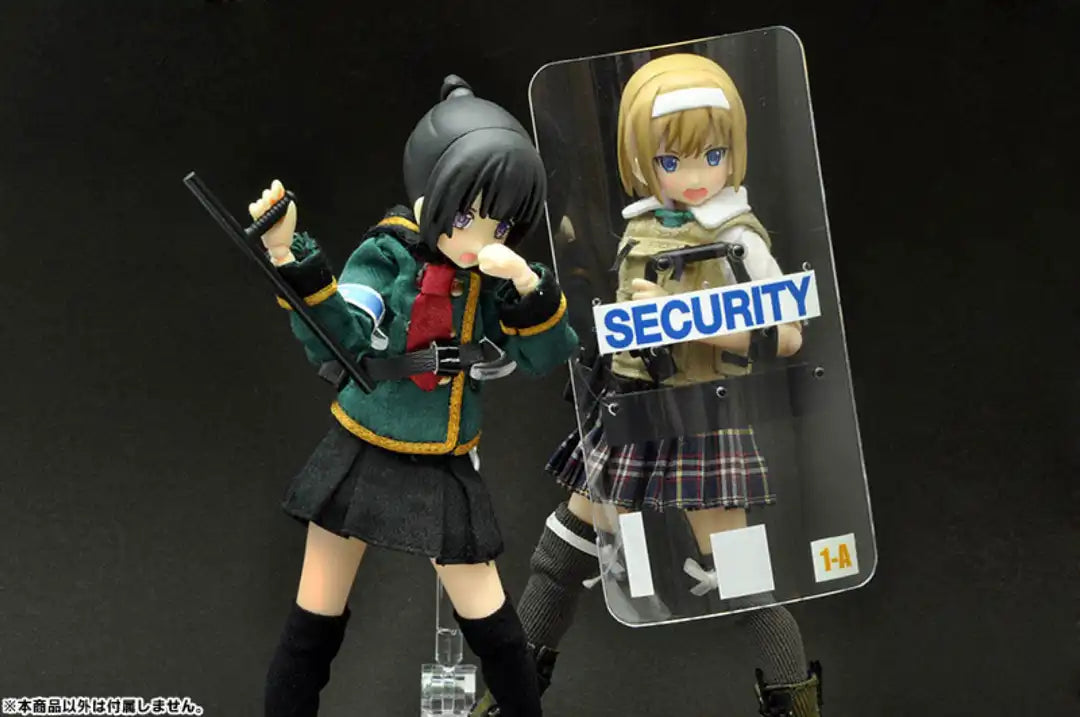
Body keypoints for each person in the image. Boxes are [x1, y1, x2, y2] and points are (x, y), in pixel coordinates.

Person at [473, 54, 823, 717]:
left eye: (712, 155)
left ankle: (795, 705)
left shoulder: (738, 236)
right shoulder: (639, 224)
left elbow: (788, 334)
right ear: (642, 161)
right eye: (671, 161)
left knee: (741, 581)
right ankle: (507, 697)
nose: (694, 177)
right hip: (631, 411)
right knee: (561, 552)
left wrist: (690, 322)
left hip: (700, 415)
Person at [250, 75, 578, 717]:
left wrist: (524, 283)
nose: (482, 235)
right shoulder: (388, 255)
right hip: (361, 448)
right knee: (315, 616)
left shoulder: (493, 277)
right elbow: (339, 336)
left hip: (441, 462)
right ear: (431, 198)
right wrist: (288, 255)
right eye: (467, 216)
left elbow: (544, 355)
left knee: (496, 629)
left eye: (502, 222)